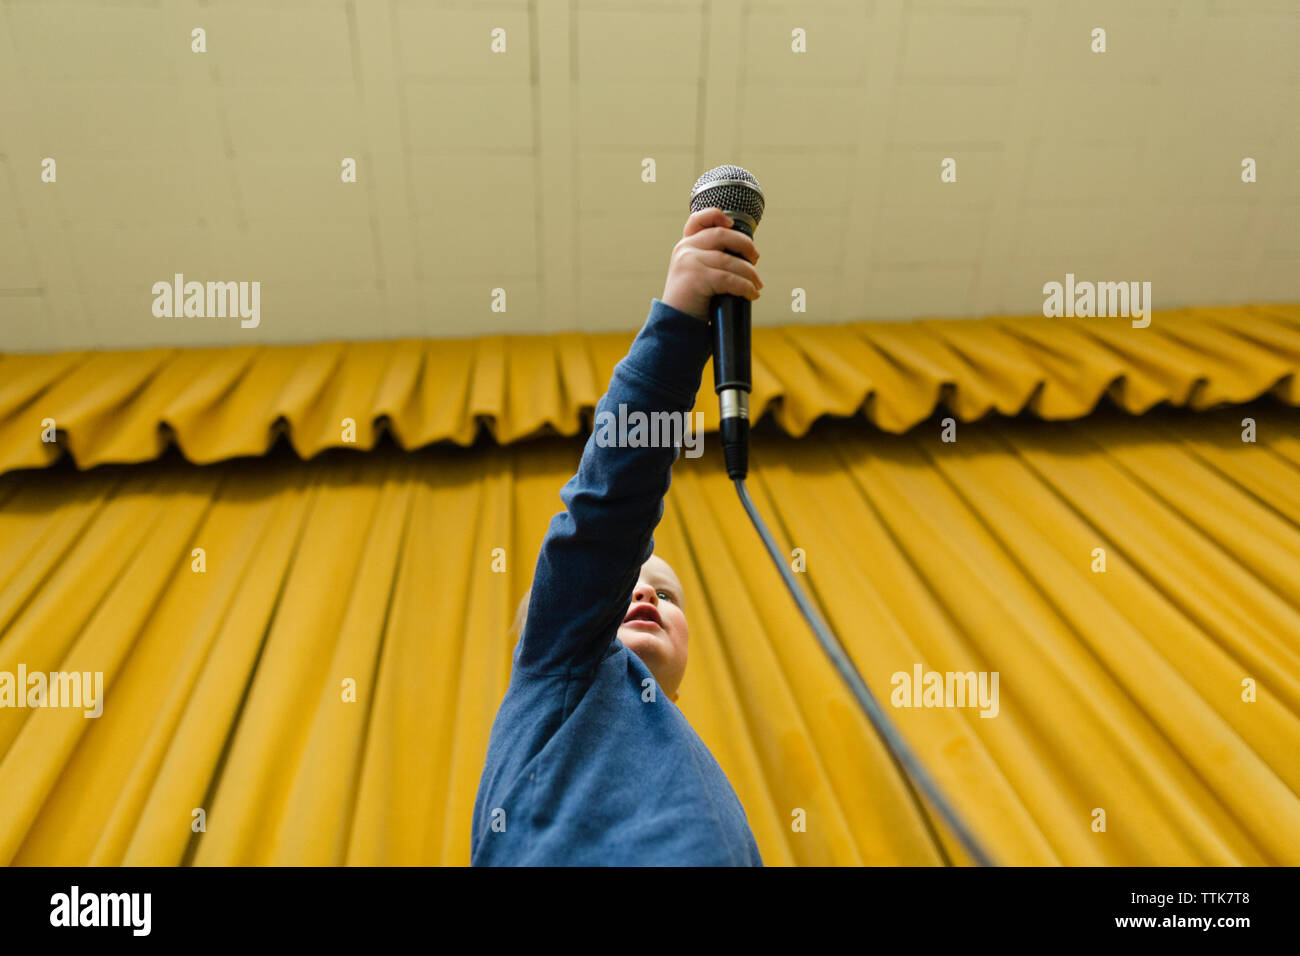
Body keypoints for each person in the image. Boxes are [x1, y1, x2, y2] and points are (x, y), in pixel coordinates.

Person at [471, 206, 765, 866]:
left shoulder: (702, 777)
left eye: (668, 595)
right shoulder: (562, 665)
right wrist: (681, 323)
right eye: (628, 587)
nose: (647, 598)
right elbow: (607, 514)